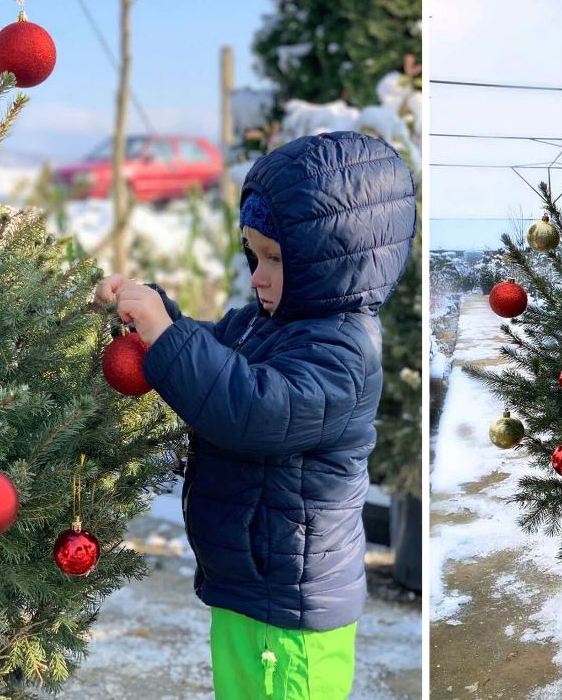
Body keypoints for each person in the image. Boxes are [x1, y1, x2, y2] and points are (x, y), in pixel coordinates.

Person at [93, 131, 417, 698]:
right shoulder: (259, 323)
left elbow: (252, 408)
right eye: (252, 253)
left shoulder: (342, 350)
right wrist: (155, 313)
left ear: (335, 261)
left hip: (291, 608)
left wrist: (165, 337)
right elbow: (208, 353)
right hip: (247, 587)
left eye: (275, 258)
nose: (257, 274)